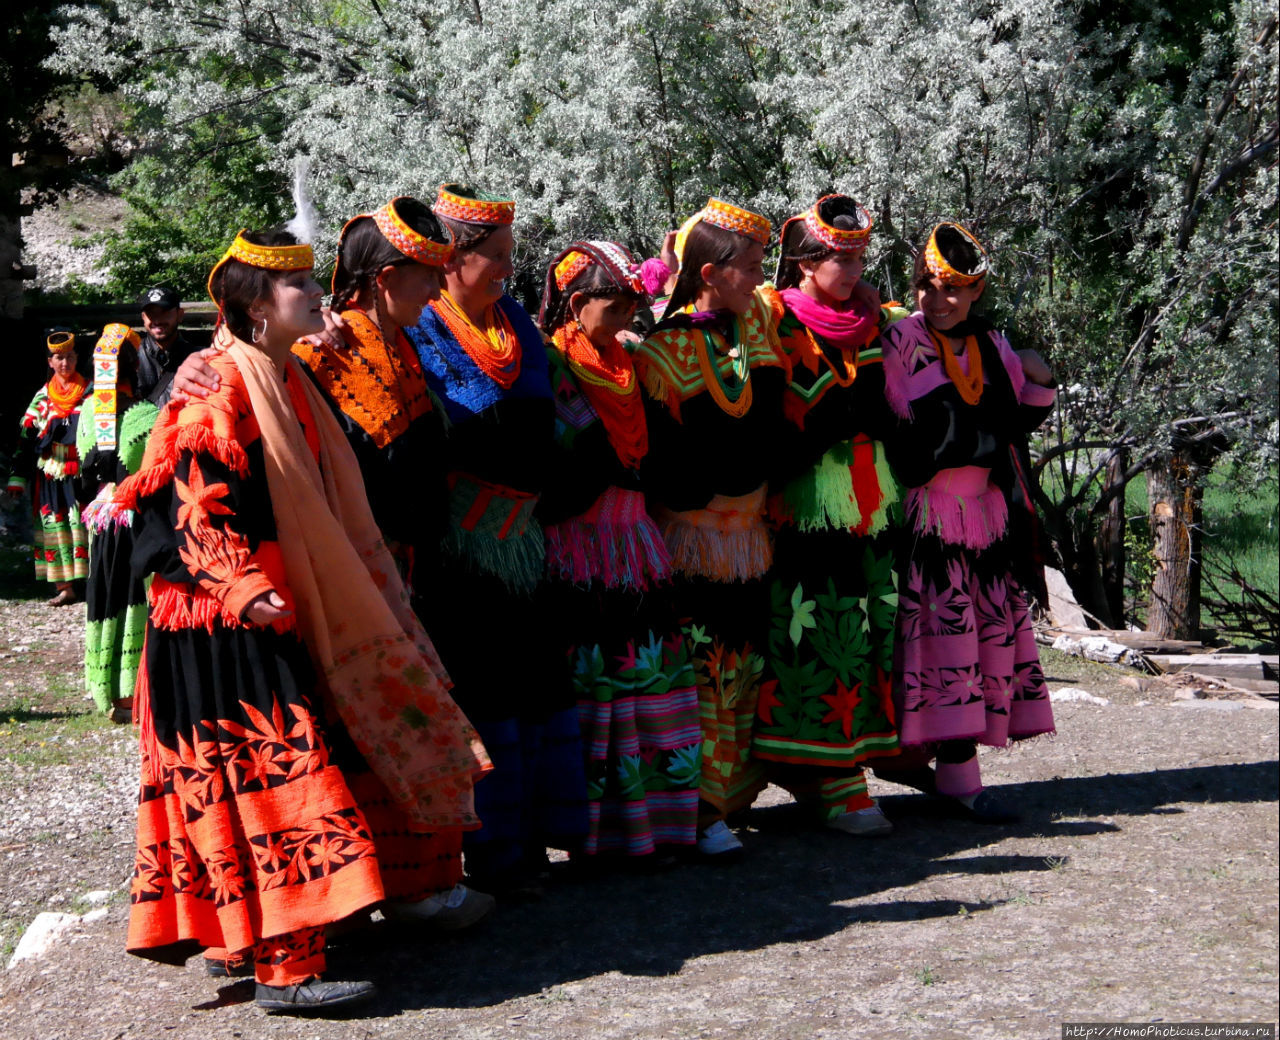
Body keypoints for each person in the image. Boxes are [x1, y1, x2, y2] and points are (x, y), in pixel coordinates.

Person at [114, 227, 491, 1013]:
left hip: (275, 603)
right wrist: (241, 585)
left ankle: (250, 939)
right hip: (219, 621)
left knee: (293, 765)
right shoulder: (216, 385)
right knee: (273, 782)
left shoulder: (289, 379)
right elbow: (188, 497)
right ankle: (285, 971)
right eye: (300, 288)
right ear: (255, 306)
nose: (317, 296)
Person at [404, 184, 588, 895]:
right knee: (487, 697)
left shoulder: (514, 322)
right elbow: (471, 437)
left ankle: (540, 838)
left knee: (539, 688)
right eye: (497, 258)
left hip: (524, 543)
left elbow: (541, 422)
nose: (509, 271)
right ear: (453, 261)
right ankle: (494, 853)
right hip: (462, 554)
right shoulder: (426, 332)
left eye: (512, 257)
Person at [632, 198, 799, 856]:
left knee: (740, 669)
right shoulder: (664, 353)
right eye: (751, 267)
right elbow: (672, 464)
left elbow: (769, 421)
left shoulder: (748, 335)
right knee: (699, 671)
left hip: (747, 540)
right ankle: (694, 810)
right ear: (710, 274)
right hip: (692, 541)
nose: (761, 278)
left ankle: (727, 799)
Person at [878, 221, 1057, 821]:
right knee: (941, 644)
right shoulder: (902, 339)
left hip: (985, 518)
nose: (938, 300)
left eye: (954, 289)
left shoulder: (991, 344)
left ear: (977, 290)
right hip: (930, 518)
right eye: (928, 286)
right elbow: (913, 429)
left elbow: (1013, 424)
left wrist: (1040, 376)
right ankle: (949, 776)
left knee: (980, 644)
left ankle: (962, 779)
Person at [536, 241, 702, 864]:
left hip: (634, 544)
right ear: (577, 304)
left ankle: (652, 824)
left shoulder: (624, 360)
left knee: (647, 680)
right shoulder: (553, 367)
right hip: (579, 547)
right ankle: (599, 831)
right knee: (596, 689)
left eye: (637, 300)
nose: (632, 314)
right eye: (620, 303)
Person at [751, 195, 905, 836]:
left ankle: (859, 758)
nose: (853, 268)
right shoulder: (775, 317)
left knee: (869, 625)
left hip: (870, 500)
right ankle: (821, 771)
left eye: (860, 256)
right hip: (803, 500)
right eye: (841, 257)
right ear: (806, 260)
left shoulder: (879, 319)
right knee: (813, 625)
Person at [74, 324, 159, 721]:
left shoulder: (88, 413)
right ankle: (132, 692)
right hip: (136, 523)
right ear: (135, 366)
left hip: (101, 522)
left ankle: (106, 689)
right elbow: (155, 477)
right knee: (135, 599)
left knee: (104, 596)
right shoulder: (147, 416)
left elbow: (85, 472)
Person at [6, 329, 90, 605]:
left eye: (69, 357)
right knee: (54, 526)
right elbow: (26, 438)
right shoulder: (42, 399)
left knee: (81, 525)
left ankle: (89, 584)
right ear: (49, 362)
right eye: (58, 358)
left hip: (81, 474)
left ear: (77, 359)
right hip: (51, 475)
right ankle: (64, 587)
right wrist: (17, 477)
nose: (64, 363)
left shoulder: (90, 394)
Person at [135, 286, 198, 405]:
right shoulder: (129, 357)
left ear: (180, 315)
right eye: (151, 314)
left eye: (164, 313)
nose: (157, 320)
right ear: (143, 318)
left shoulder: (197, 359)